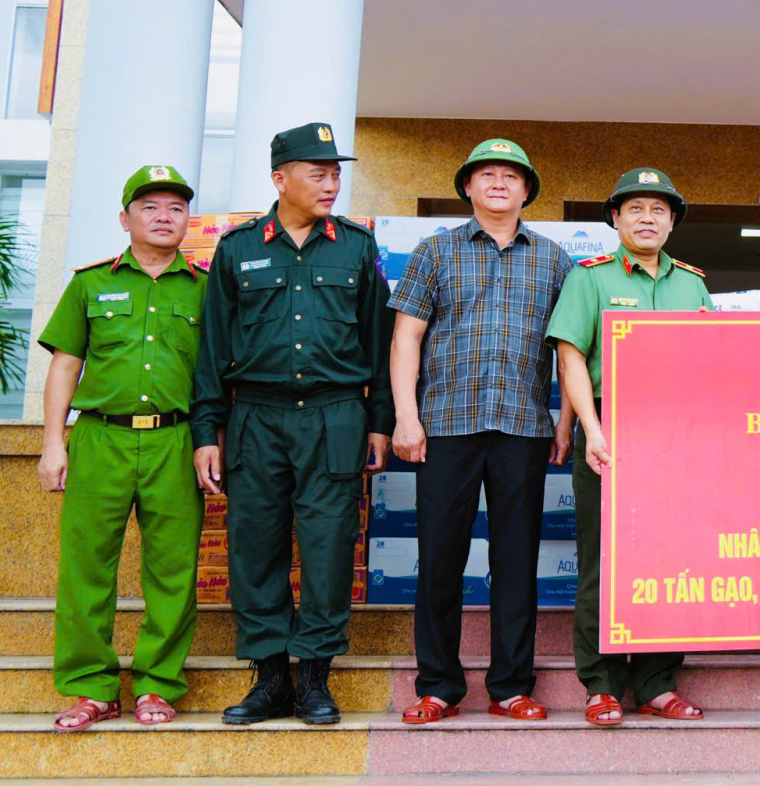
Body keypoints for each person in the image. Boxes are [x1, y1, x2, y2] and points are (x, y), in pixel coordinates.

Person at [192, 123, 393, 726]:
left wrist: (379, 423)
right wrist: (208, 430)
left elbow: (379, 345)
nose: (331, 183)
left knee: (329, 549)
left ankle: (313, 680)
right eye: (318, 172)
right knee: (255, 547)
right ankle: (270, 679)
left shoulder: (356, 247)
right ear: (280, 179)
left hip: (335, 415)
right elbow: (212, 350)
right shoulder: (236, 248)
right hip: (255, 415)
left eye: (336, 173)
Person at [390, 139, 575, 725]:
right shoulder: (434, 251)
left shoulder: (553, 260)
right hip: (445, 426)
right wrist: (404, 415)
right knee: (440, 557)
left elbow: (571, 350)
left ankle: (512, 687)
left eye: (511, 176)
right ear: (467, 187)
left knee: (517, 559)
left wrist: (564, 421)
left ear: (527, 191)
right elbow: (406, 338)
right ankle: (439, 686)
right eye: (486, 174)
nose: (498, 183)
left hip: (523, 428)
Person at [37, 165, 209, 731]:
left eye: (176, 208)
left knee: (174, 568)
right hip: (101, 437)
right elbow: (66, 365)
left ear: (188, 219)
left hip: (175, 440)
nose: (165, 217)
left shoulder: (205, 289)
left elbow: (217, 374)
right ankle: (92, 688)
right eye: (151, 207)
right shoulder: (90, 282)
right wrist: (53, 444)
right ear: (125, 218)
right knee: (86, 567)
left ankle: (157, 685)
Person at [548, 168, 712, 726]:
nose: (648, 218)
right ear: (615, 219)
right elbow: (570, 357)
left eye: (659, 210)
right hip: (610, 428)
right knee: (603, 561)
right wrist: (591, 430)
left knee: (671, 559)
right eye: (636, 209)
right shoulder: (589, 277)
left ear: (672, 223)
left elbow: (713, 361)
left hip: (675, 437)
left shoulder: (692, 284)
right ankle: (601, 684)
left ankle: (658, 682)